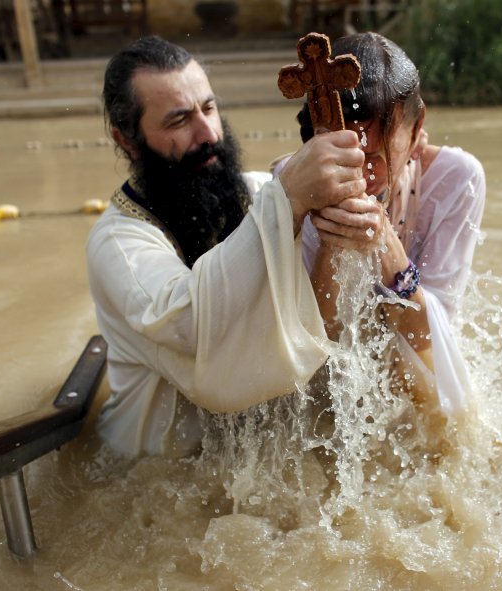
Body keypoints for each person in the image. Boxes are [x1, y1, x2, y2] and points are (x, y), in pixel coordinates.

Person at [86, 36, 367, 457]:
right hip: (152, 471)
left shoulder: (258, 193)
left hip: (251, 458)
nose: (208, 133)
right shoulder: (118, 243)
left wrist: (349, 224)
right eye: (179, 120)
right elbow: (192, 327)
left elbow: (322, 317)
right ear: (127, 139)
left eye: (209, 108)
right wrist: (287, 199)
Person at [277, 32, 486, 420]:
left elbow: (429, 338)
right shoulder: (290, 188)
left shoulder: (458, 179)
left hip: (409, 361)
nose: (362, 173)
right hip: (331, 375)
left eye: (375, 155)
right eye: (342, 154)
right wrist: (332, 245)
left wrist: (388, 248)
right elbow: (311, 344)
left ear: (418, 126)